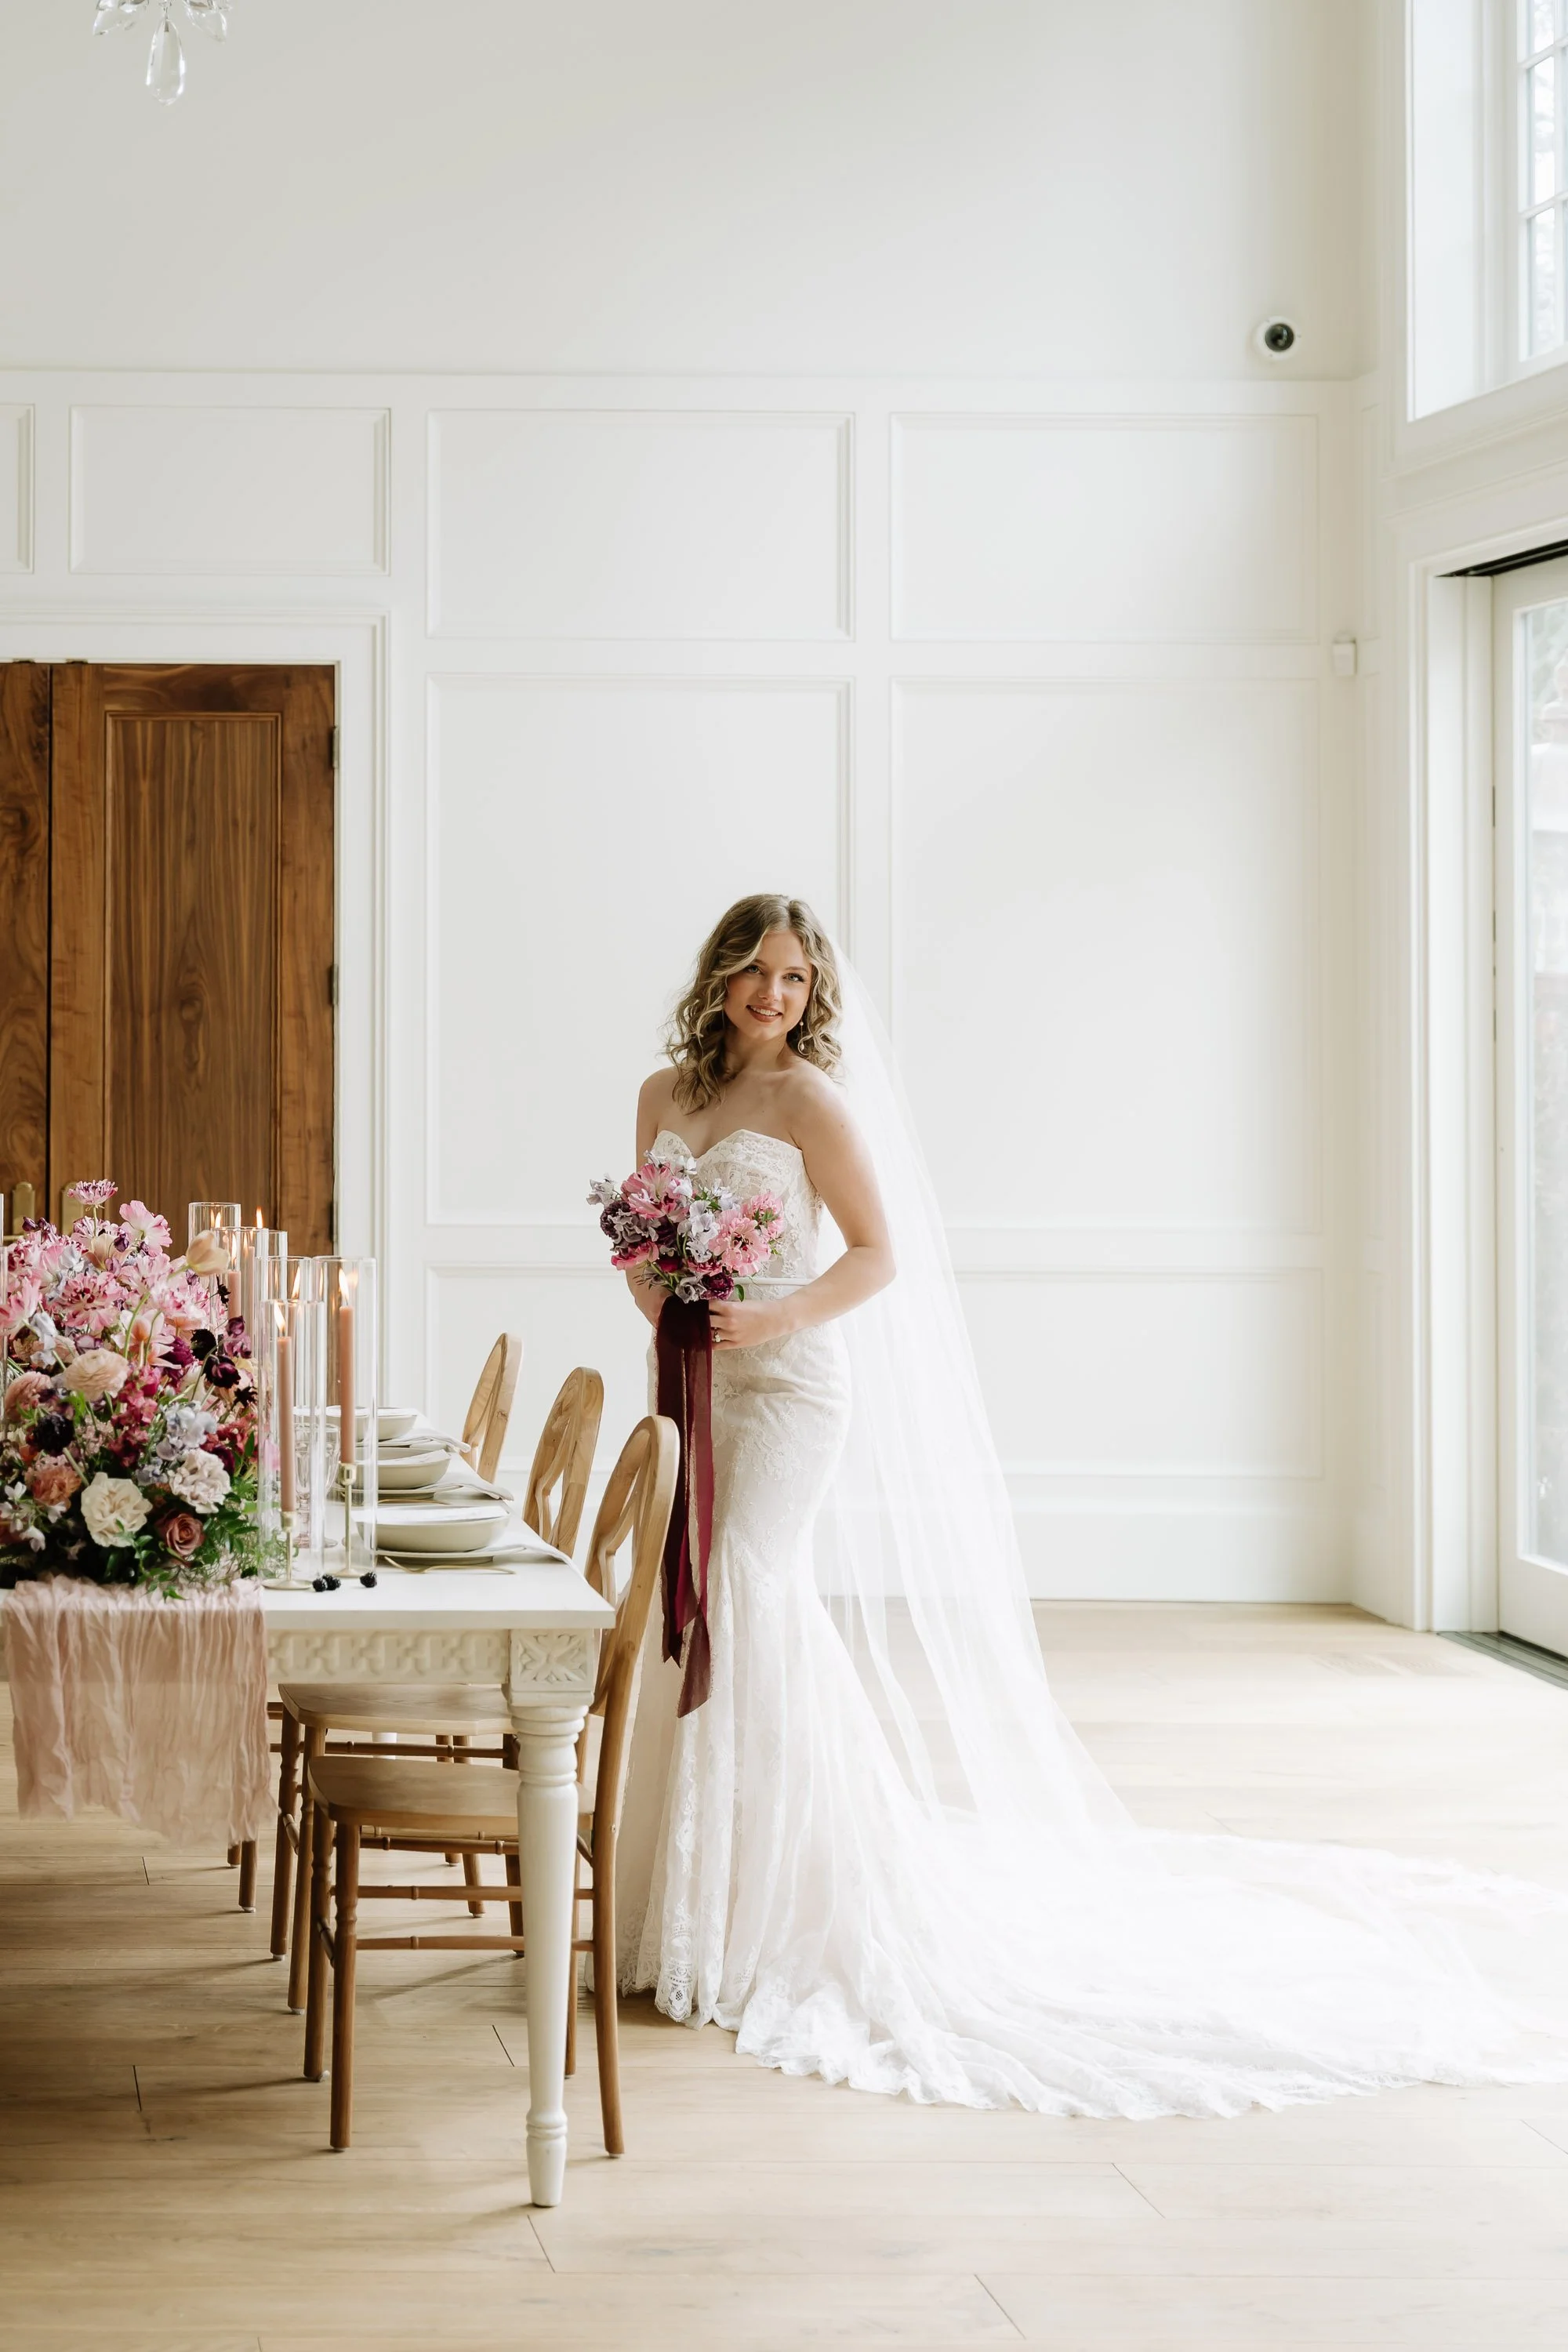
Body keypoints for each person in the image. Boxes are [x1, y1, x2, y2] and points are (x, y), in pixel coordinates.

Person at [615, 892, 1568, 2116]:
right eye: (757, 969)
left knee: (747, 1589)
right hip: (694, 1384)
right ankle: (670, 1902)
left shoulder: (814, 1106)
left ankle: (778, 1905)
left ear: (814, 994)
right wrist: (670, 1312)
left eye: (797, 978)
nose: (774, 996)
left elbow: (876, 1252)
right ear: (722, 972)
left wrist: (773, 1318)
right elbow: (643, 1243)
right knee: (682, 1603)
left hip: (791, 1386)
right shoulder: (662, 1096)